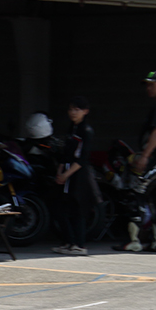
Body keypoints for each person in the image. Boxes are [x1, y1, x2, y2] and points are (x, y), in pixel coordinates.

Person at [115, 71, 156, 252]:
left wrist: (144, 156)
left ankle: (133, 240)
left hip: (154, 161)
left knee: (137, 195)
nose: (148, 88)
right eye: (147, 85)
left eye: (152, 84)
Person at [51, 97, 97, 256]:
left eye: (77, 109)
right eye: (71, 109)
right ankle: (68, 242)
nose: (73, 113)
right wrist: (60, 171)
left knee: (77, 210)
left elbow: (82, 159)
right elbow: (66, 153)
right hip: (67, 173)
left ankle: (79, 244)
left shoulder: (86, 131)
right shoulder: (72, 129)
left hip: (78, 176)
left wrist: (66, 175)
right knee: (61, 209)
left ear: (85, 111)